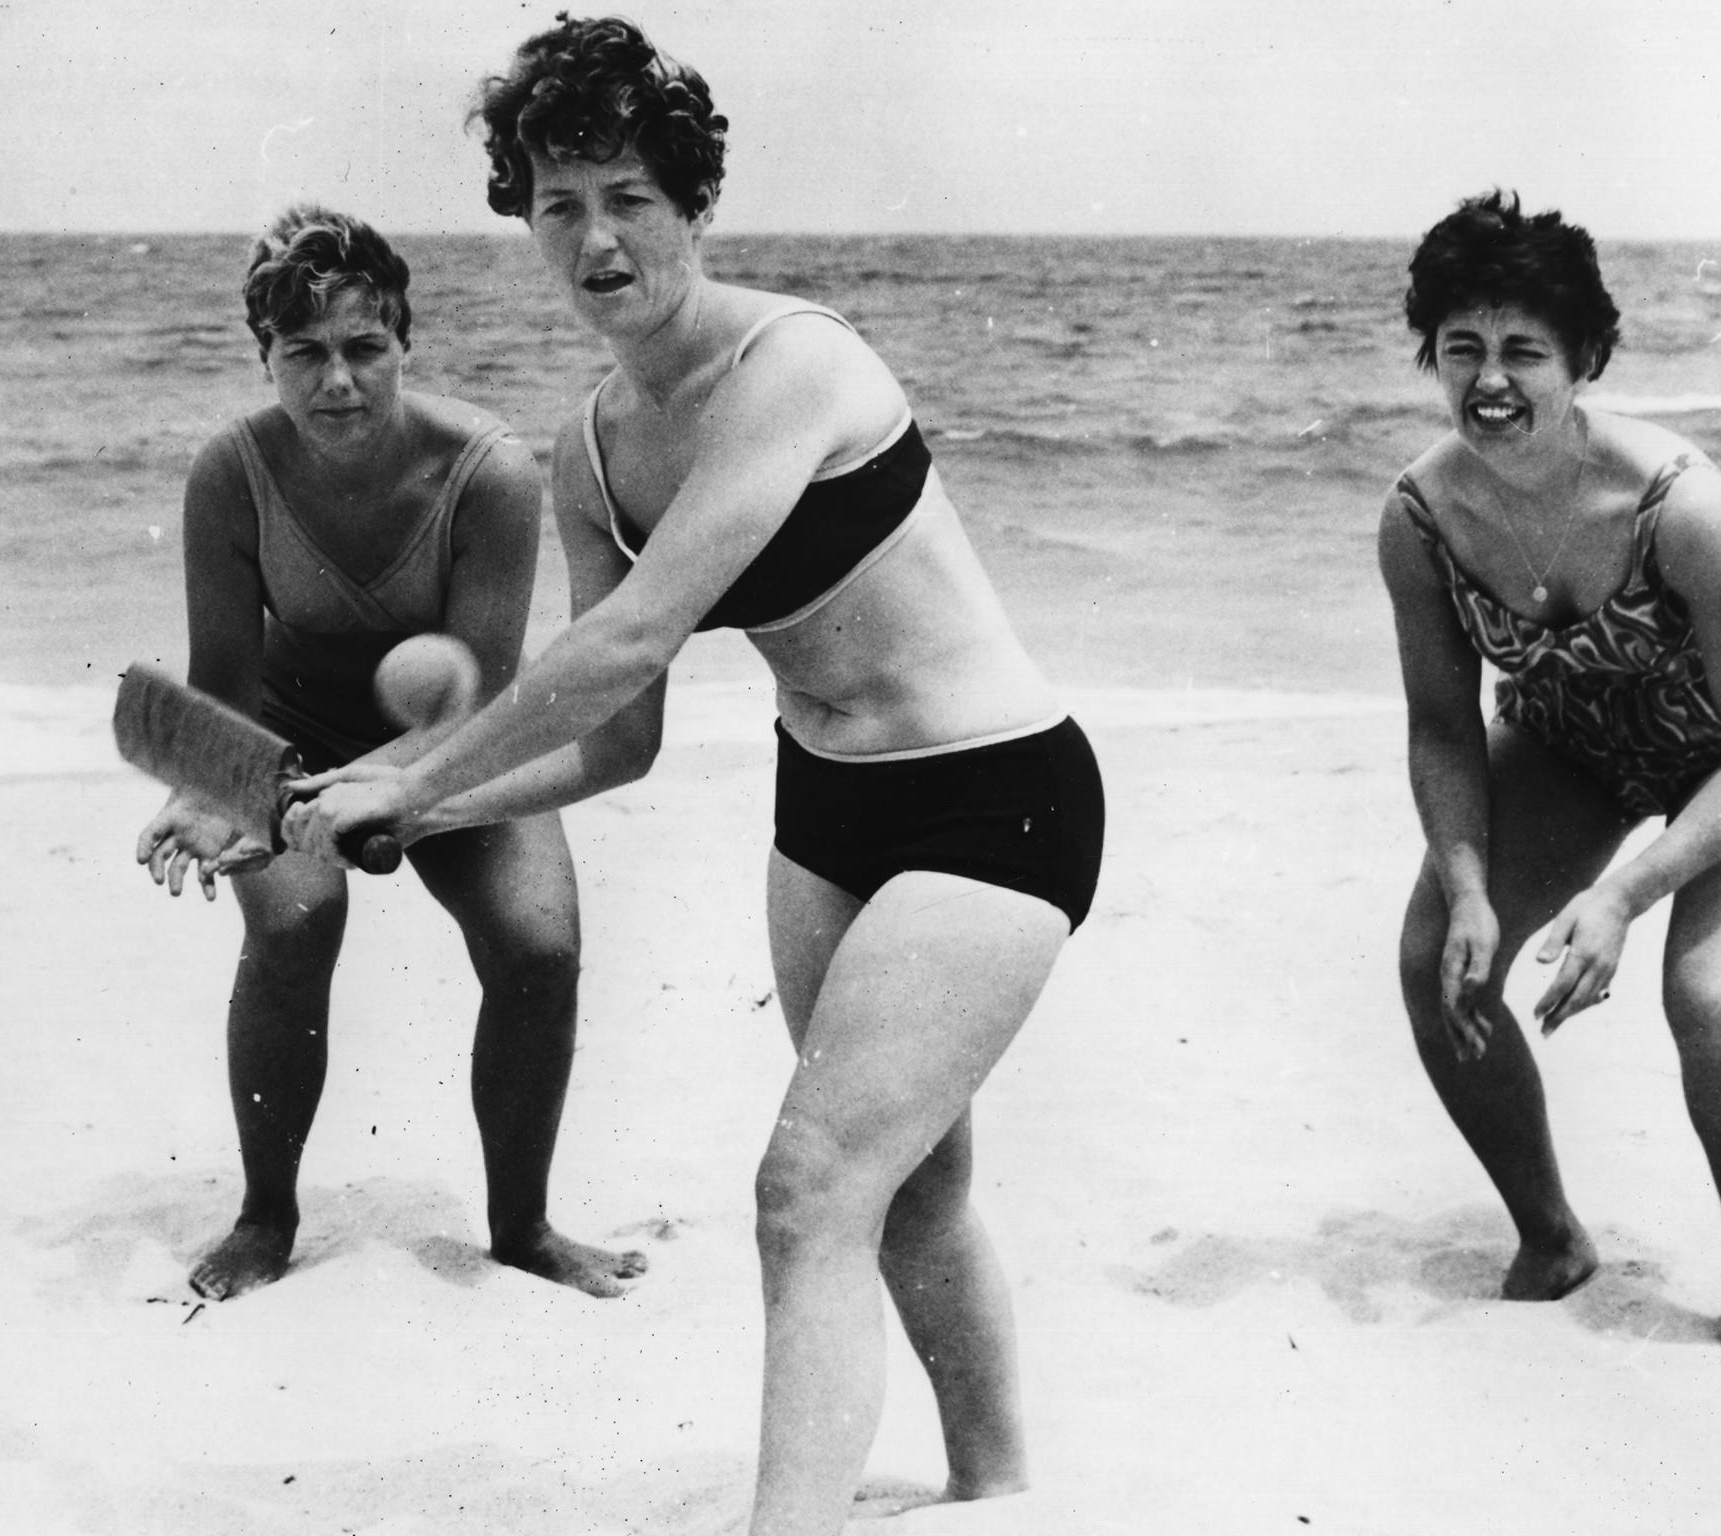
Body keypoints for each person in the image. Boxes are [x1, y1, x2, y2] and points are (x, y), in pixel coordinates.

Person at [283, 17, 1104, 1533]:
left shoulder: (795, 365)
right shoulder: (594, 445)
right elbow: (622, 734)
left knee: (805, 1190)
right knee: (905, 1186)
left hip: (1000, 798)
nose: (595, 238)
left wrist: (404, 780)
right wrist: (416, 801)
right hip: (832, 818)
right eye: (557, 204)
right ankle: (1001, 1497)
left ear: (694, 203)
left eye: (629, 198)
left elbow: (633, 637)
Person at [134, 204, 647, 1303]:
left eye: (364, 348)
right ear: (263, 357)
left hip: (455, 741)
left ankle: (521, 1227)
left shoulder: (487, 471)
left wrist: (394, 790)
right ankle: (265, 1218)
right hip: (288, 738)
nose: (337, 383)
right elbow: (220, 682)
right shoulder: (230, 472)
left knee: (538, 948)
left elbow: (478, 690)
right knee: (300, 921)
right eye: (303, 355)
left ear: (405, 343)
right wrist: (204, 784)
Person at [1378, 190, 1721, 1345]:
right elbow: (1441, 727)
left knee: (1704, 992)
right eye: (1461, 350)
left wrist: (1620, 895)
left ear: (1581, 359)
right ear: (1429, 357)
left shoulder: (1679, 504)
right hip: (1572, 740)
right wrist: (1473, 885)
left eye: (1522, 352)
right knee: (1436, 955)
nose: (1489, 380)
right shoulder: (1418, 518)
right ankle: (1548, 1233)